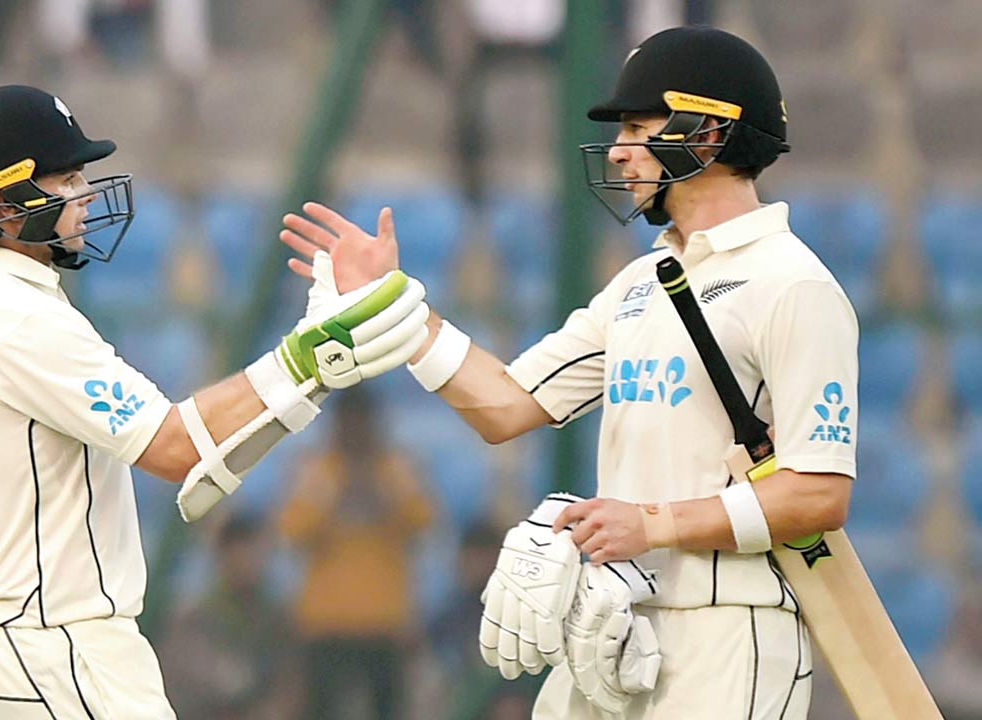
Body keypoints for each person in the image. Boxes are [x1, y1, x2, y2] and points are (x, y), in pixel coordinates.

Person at [279, 26, 858, 720]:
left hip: (731, 629)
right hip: (620, 625)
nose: (618, 150)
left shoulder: (792, 284)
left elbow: (817, 494)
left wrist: (652, 523)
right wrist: (394, 307)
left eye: (640, 127)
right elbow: (506, 406)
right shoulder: (642, 282)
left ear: (707, 134)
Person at [0, 84, 429, 719]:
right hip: (53, 652)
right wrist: (309, 357)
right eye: (65, 180)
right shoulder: (17, 316)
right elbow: (174, 446)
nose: (83, 197)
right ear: (1, 204)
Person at [279, 387, 434, 720]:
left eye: (361, 422)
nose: (355, 431)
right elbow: (293, 530)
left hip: (384, 622)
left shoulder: (396, 468)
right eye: (348, 423)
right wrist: (332, 493)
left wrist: (384, 490)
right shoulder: (318, 470)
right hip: (326, 623)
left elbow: (423, 523)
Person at [157, 512, 300, 720]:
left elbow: (290, 682)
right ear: (222, 554)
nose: (248, 561)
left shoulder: (276, 618)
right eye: (239, 552)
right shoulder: (194, 618)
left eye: (256, 552)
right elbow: (174, 684)